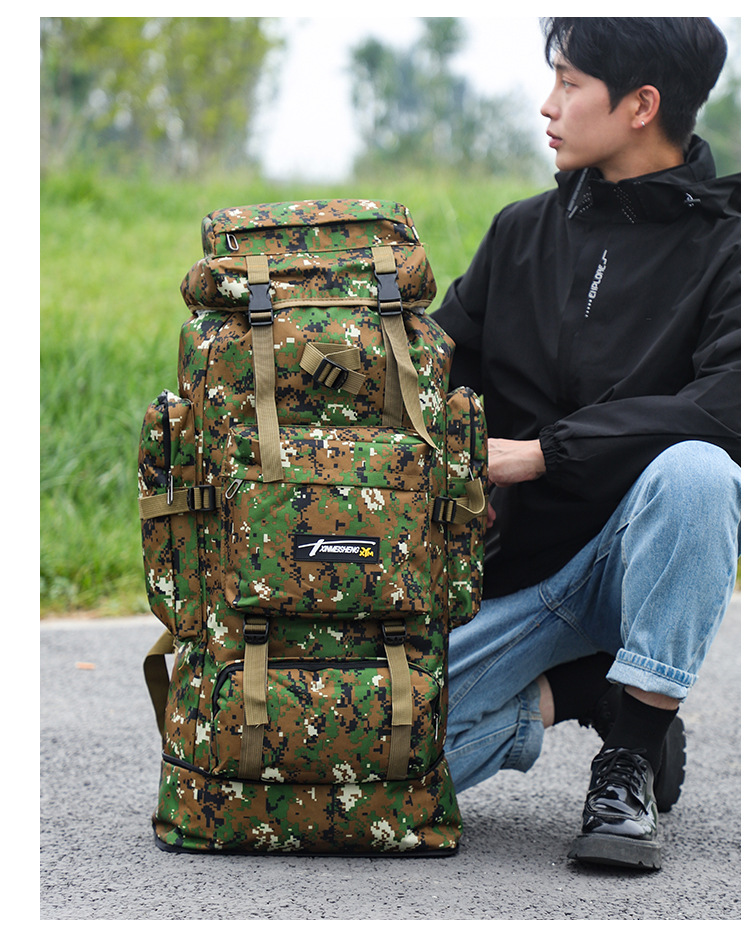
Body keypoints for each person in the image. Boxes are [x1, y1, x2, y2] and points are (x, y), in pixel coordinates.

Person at [432, 17, 740, 871]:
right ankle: (590, 689)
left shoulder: (731, 245)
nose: (548, 104)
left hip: (637, 558)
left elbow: (730, 406)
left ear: (641, 106)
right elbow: (429, 373)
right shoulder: (521, 231)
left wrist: (541, 453)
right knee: (366, 751)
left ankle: (630, 757)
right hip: (518, 576)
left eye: (569, 84)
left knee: (700, 473)